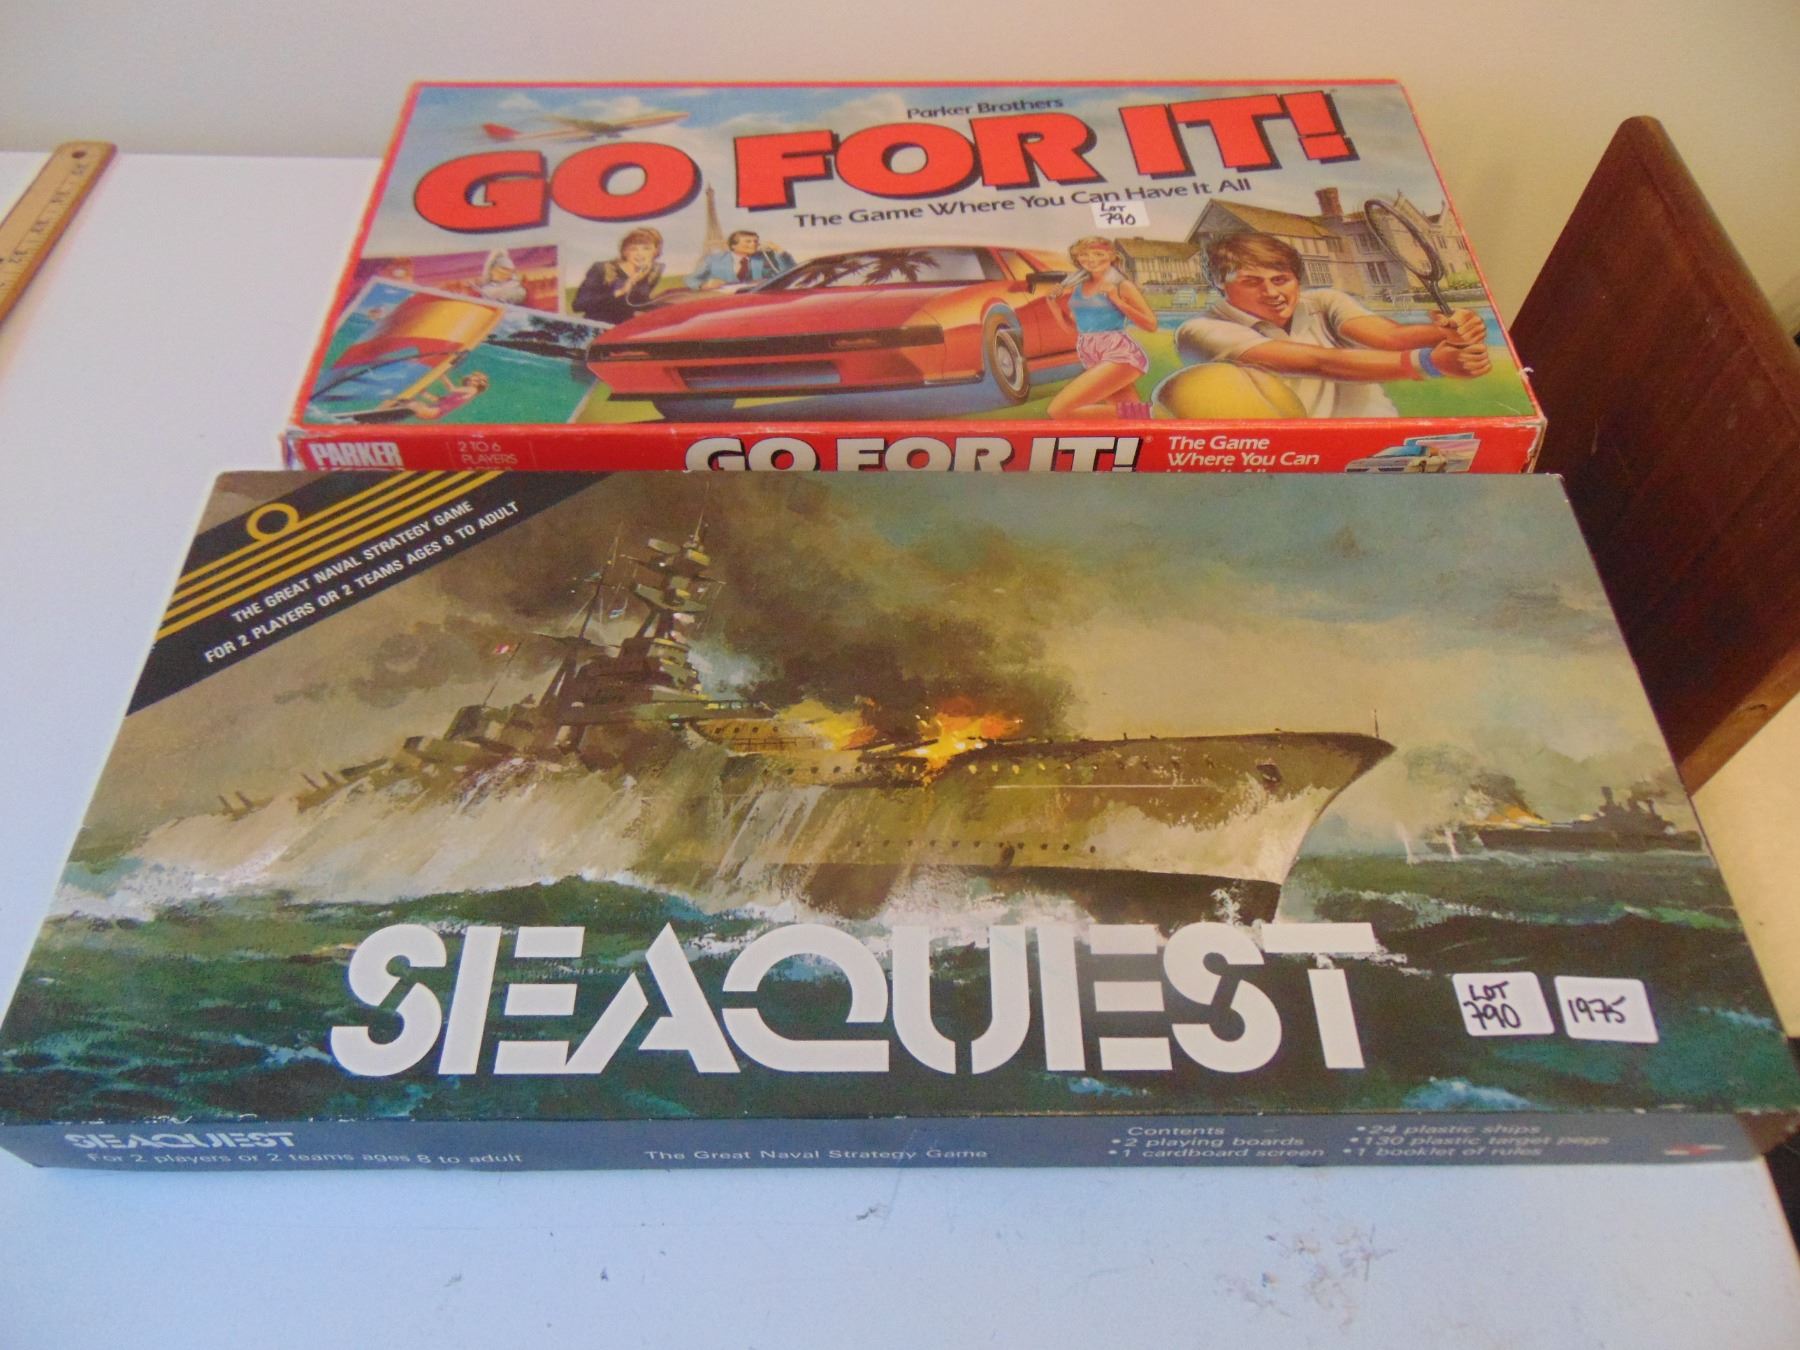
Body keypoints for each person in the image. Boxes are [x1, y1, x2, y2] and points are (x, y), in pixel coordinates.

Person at [1174, 232, 1489, 417]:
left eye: (1281, 280)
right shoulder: (1201, 331)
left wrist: (1446, 331)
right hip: (1297, 456)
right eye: (1252, 282)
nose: (1271, 293)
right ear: (1220, 284)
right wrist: (1430, 362)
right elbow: (1320, 362)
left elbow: (1390, 337)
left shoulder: (1324, 300)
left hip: (1378, 438)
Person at [1047, 236, 1158, 419]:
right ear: (1077, 258)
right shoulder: (1078, 288)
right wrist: (1053, 305)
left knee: (1059, 411)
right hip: (1091, 354)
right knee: (1128, 419)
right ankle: (1144, 418)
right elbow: (1074, 329)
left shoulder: (1122, 285)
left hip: (1119, 354)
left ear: (1112, 256)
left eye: (1099, 254)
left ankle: (1153, 414)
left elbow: (1151, 324)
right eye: (1084, 254)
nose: (1091, 259)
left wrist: (1116, 300)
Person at [573, 227, 666, 325]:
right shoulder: (602, 268)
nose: (640, 254)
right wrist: (621, 292)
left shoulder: (654, 272)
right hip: (599, 326)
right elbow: (578, 305)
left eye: (646, 248)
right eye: (633, 249)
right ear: (625, 252)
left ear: (655, 251)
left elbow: (639, 303)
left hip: (626, 327)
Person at [687, 230, 795, 289]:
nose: (753, 244)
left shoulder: (767, 257)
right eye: (748, 241)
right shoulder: (713, 260)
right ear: (733, 245)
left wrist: (780, 251)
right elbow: (691, 279)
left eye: (756, 241)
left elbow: (791, 273)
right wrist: (704, 285)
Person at [390, 370, 488, 420]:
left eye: (475, 380)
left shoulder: (473, 390)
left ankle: (395, 408)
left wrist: (441, 374)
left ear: (479, 384)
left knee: (411, 404)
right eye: (471, 378)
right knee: (404, 401)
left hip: (433, 412)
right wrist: (424, 392)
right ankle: (390, 410)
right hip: (432, 412)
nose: (471, 380)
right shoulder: (460, 394)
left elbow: (452, 388)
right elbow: (438, 400)